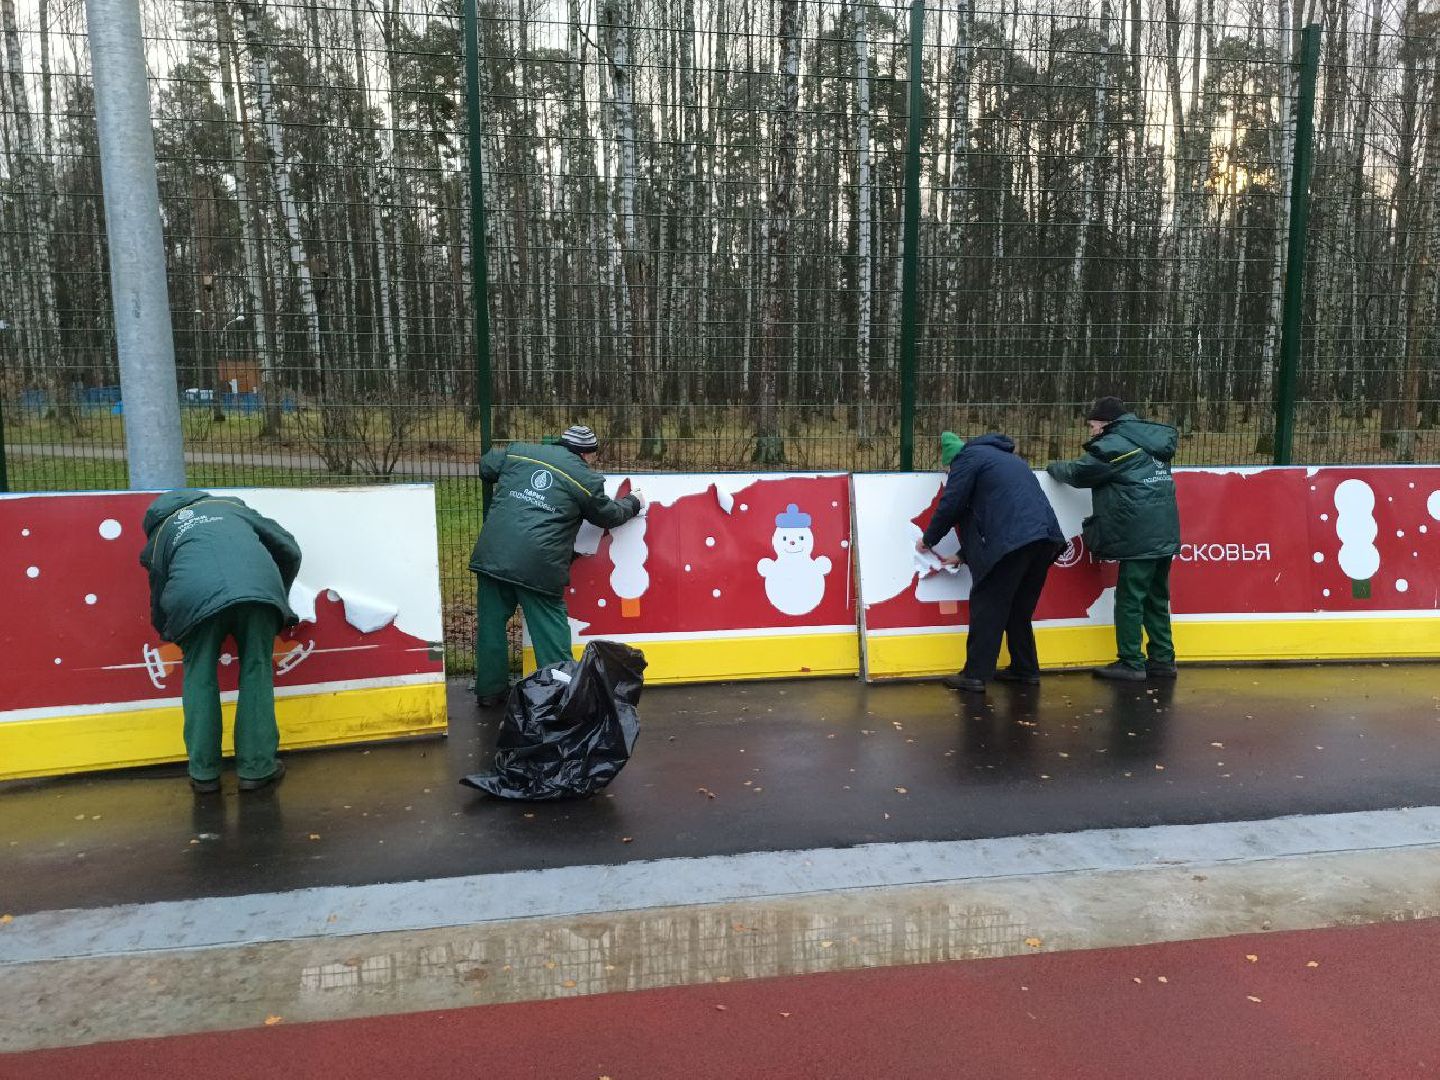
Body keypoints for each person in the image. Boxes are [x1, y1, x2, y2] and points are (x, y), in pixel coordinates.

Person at [469, 425, 646, 706]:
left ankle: (490, 693)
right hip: (539, 564)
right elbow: (608, 515)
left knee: (491, 626)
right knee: (550, 632)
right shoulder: (585, 479)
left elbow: (487, 466)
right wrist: (633, 503)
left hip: (493, 556)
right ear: (587, 454)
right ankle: (559, 695)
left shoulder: (519, 452)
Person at [140, 489, 302, 794]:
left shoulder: (162, 535)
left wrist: (168, 632)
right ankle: (257, 768)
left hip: (193, 599)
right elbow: (290, 549)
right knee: (256, 670)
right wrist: (278, 592)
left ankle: (204, 774)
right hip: (259, 591)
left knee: (199, 676)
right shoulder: (230, 506)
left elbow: (160, 593)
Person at [917, 431, 1065, 694]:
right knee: (1019, 607)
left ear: (951, 460)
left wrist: (928, 539)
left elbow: (952, 504)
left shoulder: (966, 460)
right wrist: (963, 555)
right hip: (1046, 539)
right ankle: (1025, 668)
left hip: (1015, 542)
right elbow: (1000, 514)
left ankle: (975, 675)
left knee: (988, 605)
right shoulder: (1008, 460)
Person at [1046, 396, 1181, 681]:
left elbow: (1080, 473)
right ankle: (1163, 659)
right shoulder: (1151, 440)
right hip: (1164, 530)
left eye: (1093, 425)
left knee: (1131, 598)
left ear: (1106, 423)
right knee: (1157, 596)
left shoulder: (1114, 444)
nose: (1092, 431)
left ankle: (1131, 661)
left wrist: (1053, 468)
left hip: (1137, 534)